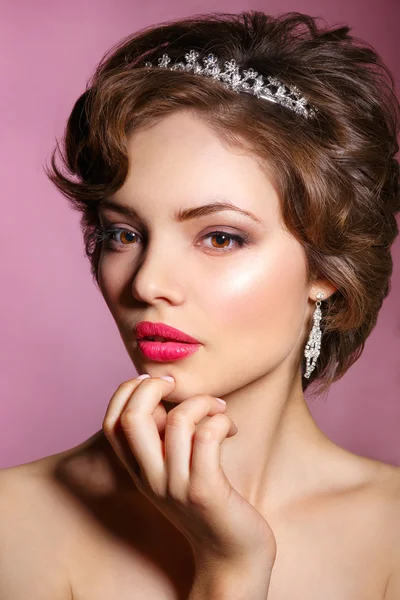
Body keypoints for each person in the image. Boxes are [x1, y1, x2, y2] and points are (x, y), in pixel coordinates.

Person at [1, 10, 399, 599]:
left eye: (220, 237)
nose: (147, 283)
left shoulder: (391, 533)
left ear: (325, 269)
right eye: (124, 234)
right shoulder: (14, 523)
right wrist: (231, 568)